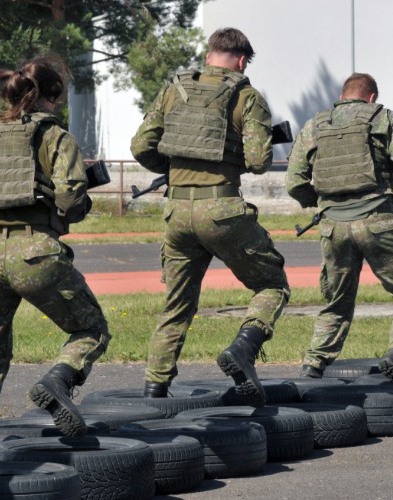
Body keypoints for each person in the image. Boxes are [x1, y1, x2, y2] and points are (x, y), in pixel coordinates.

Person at [0, 55, 110, 442]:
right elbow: (71, 202)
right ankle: (58, 380)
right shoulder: (55, 136)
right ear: (52, 96)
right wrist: (74, 205)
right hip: (35, 252)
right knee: (91, 329)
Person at [130, 28, 290, 406]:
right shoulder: (247, 97)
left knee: (177, 303)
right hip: (222, 209)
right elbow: (258, 162)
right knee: (273, 286)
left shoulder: (174, 90)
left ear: (208, 56)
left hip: (177, 212)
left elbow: (140, 146)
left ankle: (155, 386)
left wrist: (169, 170)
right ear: (241, 60)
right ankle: (243, 347)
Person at [285, 72, 393, 380]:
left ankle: (313, 364)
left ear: (342, 95)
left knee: (337, 301)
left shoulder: (315, 124)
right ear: (371, 97)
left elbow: (294, 182)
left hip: (333, 228)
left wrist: (324, 202)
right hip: (378, 222)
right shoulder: (384, 118)